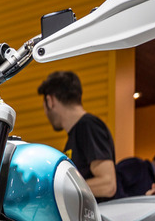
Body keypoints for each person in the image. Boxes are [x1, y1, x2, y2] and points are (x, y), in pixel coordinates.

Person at [38, 70, 120, 201]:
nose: (45, 113)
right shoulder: (77, 132)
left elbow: (108, 184)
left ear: (50, 100)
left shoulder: (88, 126)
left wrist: (57, 190)